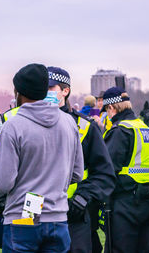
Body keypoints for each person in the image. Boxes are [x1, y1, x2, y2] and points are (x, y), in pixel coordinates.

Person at [0, 63, 84, 253]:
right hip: (58, 217)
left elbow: (3, 183)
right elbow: (77, 173)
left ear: (18, 92)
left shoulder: (13, 126)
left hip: (23, 217)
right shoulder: (69, 123)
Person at [45, 66, 116, 253]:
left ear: (65, 91)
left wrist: (83, 197)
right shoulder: (29, 123)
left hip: (74, 215)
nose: (45, 93)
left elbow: (104, 174)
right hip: (37, 214)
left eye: (50, 89)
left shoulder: (85, 127)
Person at [102, 87, 149, 253]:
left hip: (124, 203)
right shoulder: (146, 130)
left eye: (106, 111)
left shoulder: (120, 130)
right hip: (148, 202)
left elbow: (108, 169)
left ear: (111, 108)